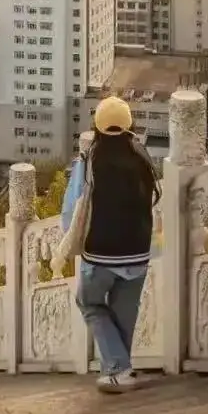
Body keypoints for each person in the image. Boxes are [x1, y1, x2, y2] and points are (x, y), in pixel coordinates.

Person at [58, 95, 161, 394]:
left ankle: (117, 367)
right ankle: (119, 371)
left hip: (100, 254)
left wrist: (70, 238)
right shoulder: (142, 156)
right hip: (139, 252)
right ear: (129, 124)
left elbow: (73, 206)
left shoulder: (90, 158)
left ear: (97, 126)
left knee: (89, 303)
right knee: (123, 314)